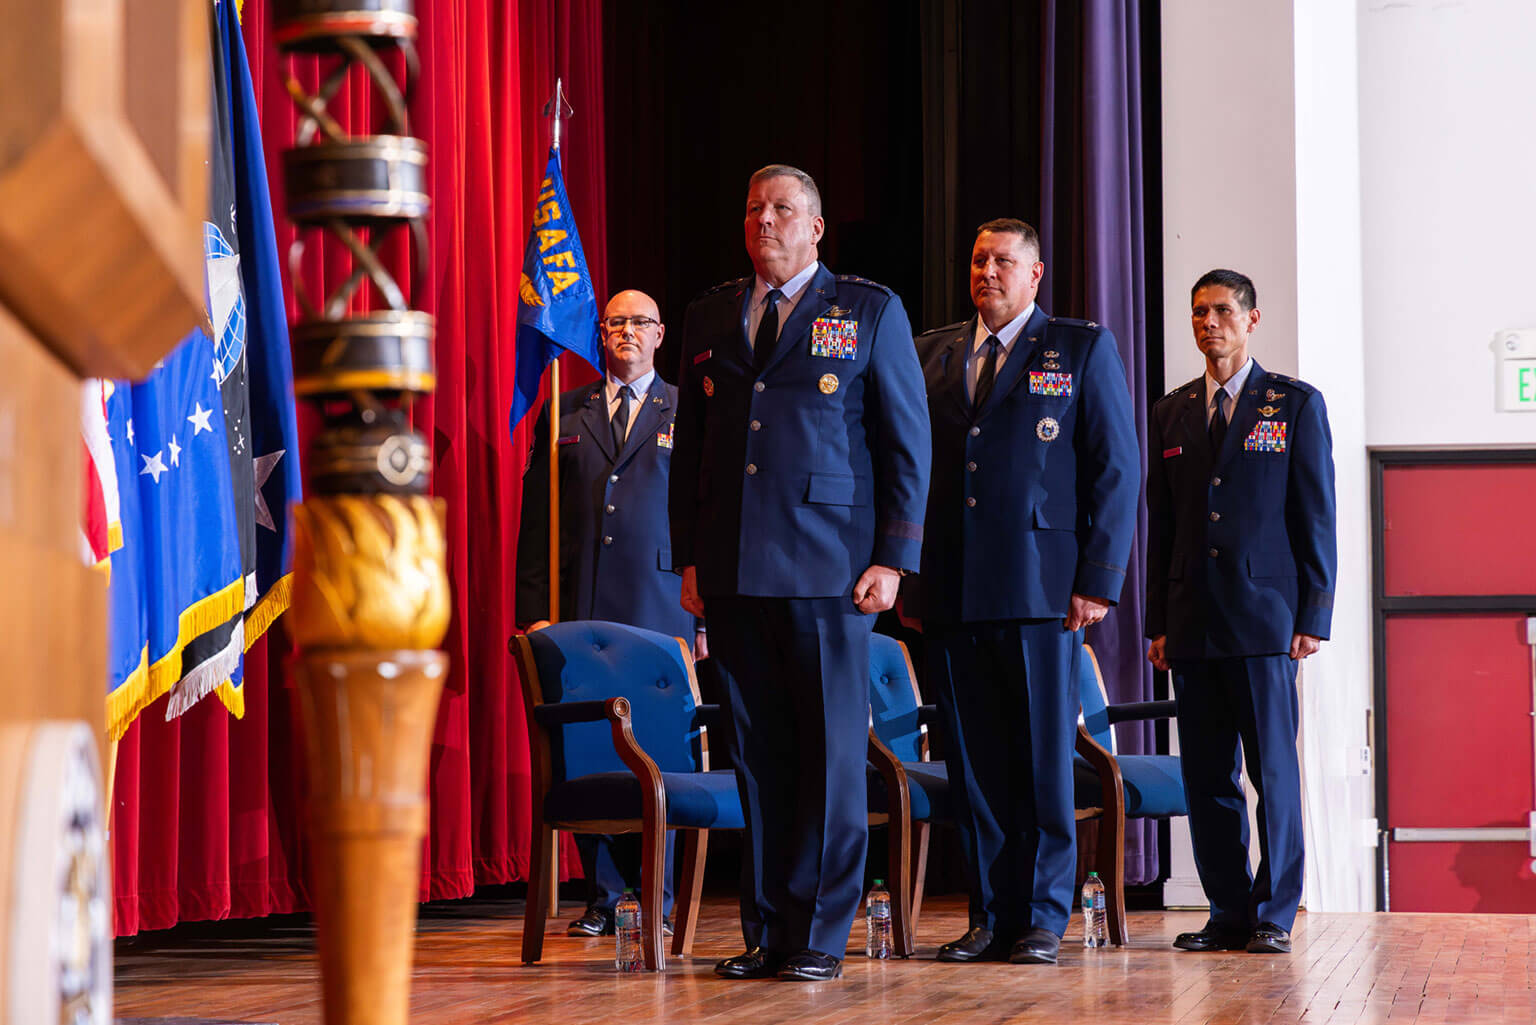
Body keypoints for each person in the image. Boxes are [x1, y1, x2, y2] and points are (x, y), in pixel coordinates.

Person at [668, 164, 930, 982]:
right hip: (737, 569)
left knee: (825, 756)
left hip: (832, 570)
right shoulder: (711, 312)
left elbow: (904, 442)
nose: (765, 222)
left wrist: (894, 557)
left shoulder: (867, 308)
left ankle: (818, 934)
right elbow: (696, 456)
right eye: (753, 209)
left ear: (817, 227)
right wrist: (690, 558)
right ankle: (770, 931)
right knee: (758, 755)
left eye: (783, 209)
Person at [911, 218, 1139, 966]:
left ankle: (1042, 916)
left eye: (1004, 261)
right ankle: (989, 913)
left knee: (1041, 761)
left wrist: (1098, 580)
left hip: (1045, 590)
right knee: (974, 765)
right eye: (978, 259)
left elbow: (1115, 468)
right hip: (954, 587)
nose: (987, 272)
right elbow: (909, 470)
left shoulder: (1078, 347)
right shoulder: (933, 351)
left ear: (1035, 275)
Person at [1146, 268, 1336, 955]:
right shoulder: (1170, 412)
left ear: (1252, 319)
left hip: (1265, 624)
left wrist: (1313, 613)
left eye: (1223, 310)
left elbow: (1316, 516)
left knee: (1272, 774)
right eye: (1199, 312)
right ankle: (1228, 908)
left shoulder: (1293, 404)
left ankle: (1275, 912)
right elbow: (1160, 524)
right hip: (1193, 622)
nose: (1209, 323)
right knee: (1206, 777)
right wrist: (1157, 623)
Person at [516, 288, 701, 938]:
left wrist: (703, 619)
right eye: (616, 321)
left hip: (662, 609)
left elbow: (706, 516)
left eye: (640, 321)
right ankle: (603, 895)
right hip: (582, 611)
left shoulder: (688, 408)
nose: (627, 330)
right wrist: (536, 611)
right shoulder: (566, 408)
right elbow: (536, 522)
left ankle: (659, 897)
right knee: (591, 746)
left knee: (660, 751)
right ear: (601, 334)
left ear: (660, 334)